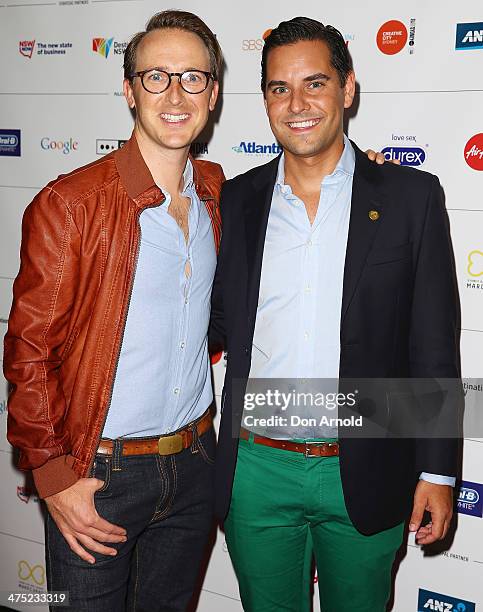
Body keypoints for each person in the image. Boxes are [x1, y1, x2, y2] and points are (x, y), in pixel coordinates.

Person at [210, 17, 460, 612]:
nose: (296, 104)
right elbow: (212, 321)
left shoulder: (410, 198)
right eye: (278, 88)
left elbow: (434, 346)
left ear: (348, 89)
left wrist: (440, 472)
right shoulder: (236, 199)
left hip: (368, 461)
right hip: (257, 468)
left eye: (315, 83)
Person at [4, 10, 224, 611]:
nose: (175, 95)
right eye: (156, 77)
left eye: (193, 78)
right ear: (129, 91)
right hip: (99, 475)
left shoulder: (217, 190)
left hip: (195, 461)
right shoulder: (71, 205)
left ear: (214, 91)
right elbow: (28, 352)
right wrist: (53, 478)